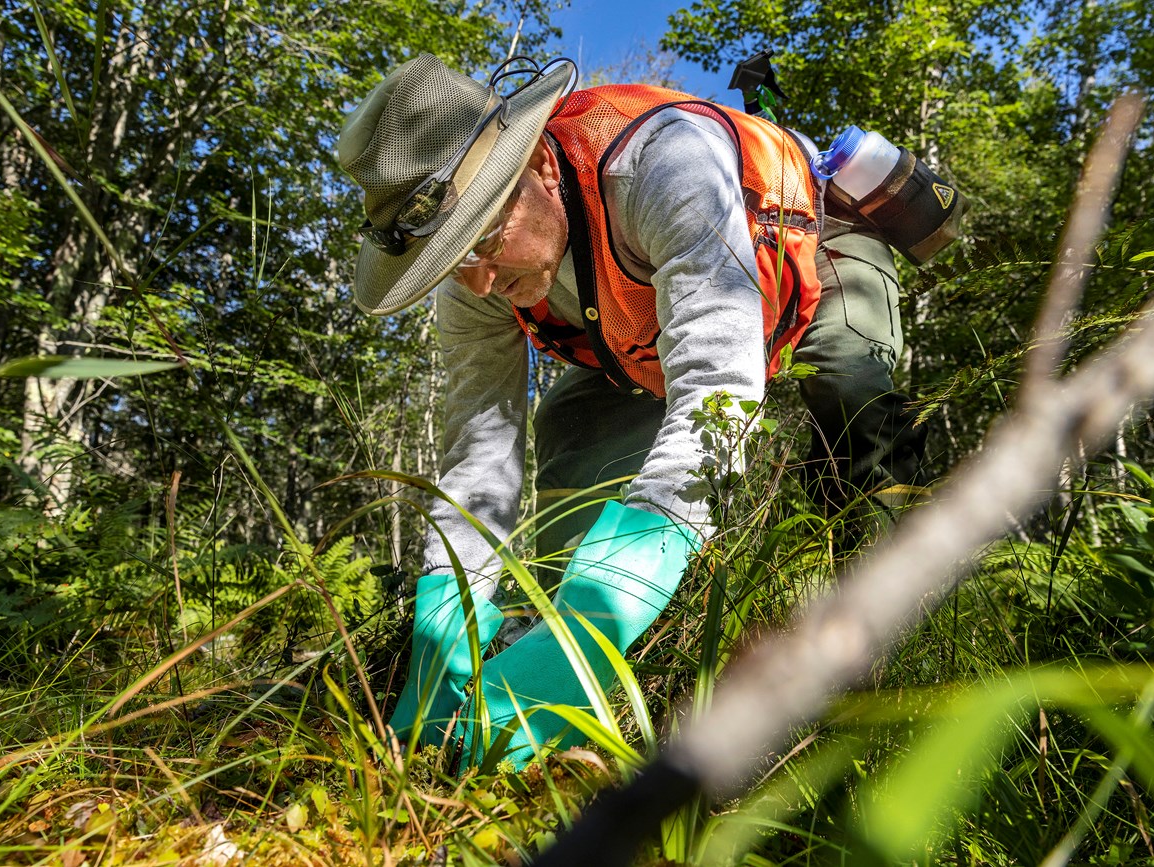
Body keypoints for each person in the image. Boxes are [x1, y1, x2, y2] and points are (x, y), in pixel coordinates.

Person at [337, 53, 928, 769]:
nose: (482, 279)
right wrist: (446, 614)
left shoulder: (665, 164)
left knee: (851, 393)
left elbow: (716, 385)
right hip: (642, 330)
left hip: (815, 254)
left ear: (540, 170)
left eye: (484, 238)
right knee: (571, 427)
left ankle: (892, 641)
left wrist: (614, 594)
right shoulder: (474, 280)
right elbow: (478, 451)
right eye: (450, 259)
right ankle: (557, 669)